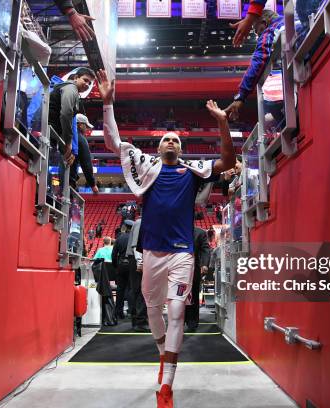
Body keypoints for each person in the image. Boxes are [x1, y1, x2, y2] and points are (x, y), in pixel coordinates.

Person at [97, 69, 236, 408]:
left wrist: (221, 122)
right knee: (152, 309)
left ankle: (167, 386)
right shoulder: (146, 167)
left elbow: (228, 161)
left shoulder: (193, 171)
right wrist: (108, 104)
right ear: (157, 148)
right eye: (165, 139)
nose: (170, 142)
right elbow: (115, 143)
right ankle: (164, 357)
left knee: (176, 311)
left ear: (181, 147)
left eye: (175, 139)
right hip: (152, 254)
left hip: (181, 254)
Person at [225, 9, 282, 122]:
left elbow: (259, 60)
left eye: (257, 30)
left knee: (269, 101)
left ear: (264, 23)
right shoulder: (292, 19)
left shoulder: (270, 30)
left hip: (301, 66)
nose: (258, 36)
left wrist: (241, 96)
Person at [48, 67, 96, 165]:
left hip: (50, 134)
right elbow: (66, 115)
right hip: (47, 133)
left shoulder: (71, 90)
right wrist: (68, 143)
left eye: (89, 83)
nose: (87, 84)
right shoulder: (71, 88)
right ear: (76, 77)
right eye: (85, 80)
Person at [184, 226, 211, 331]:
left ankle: (192, 322)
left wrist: (205, 264)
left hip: (194, 268)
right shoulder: (176, 230)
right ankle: (179, 320)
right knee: (178, 296)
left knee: (194, 295)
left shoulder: (200, 233)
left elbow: (205, 249)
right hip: (176, 269)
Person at [70, 113, 99, 193]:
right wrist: (93, 185)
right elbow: (86, 164)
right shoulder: (80, 139)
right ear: (80, 125)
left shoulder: (67, 135)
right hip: (69, 181)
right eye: (86, 126)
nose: (87, 129)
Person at [112, 221, 134, 320]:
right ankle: (132, 311)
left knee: (120, 289)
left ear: (125, 227)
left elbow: (114, 254)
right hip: (132, 264)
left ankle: (118, 312)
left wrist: (115, 265)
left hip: (121, 265)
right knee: (131, 288)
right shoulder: (135, 238)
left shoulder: (119, 238)